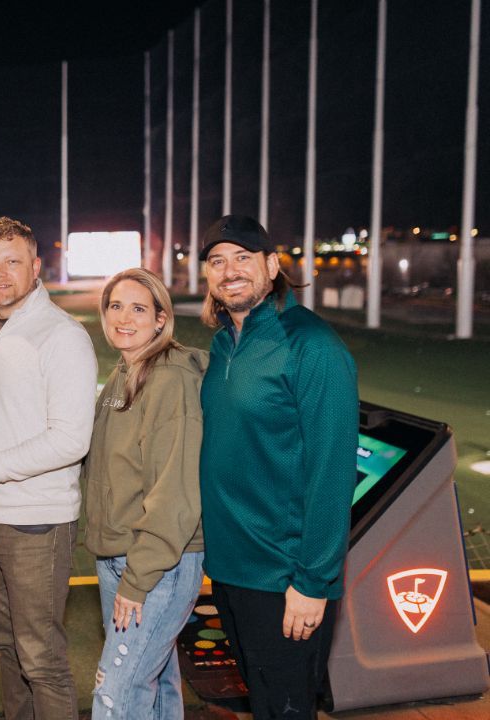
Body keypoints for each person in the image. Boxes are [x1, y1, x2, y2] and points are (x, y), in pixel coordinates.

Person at [197, 215, 358, 720]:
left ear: (271, 265)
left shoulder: (312, 345)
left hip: (284, 575)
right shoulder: (224, 341)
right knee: (264, 702)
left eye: (243, 258)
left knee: (286, 710)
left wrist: (312, 582)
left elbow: (332, 474)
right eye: (217, 261)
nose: (230, 271)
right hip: (229, 569)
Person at [0, 216, 96, 720]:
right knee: (6, 649)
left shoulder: (63, 336)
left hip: (36, 522)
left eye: (11, 262)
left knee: (41, 658)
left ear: (35, 267)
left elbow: (71, 440)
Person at [83, 268, 207, 719]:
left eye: (138, 308)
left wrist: (139, 579)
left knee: (117, 693)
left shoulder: (170, 380)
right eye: (115, 306)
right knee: (154, 687)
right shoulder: (126, 371)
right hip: (120, 555)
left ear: (161, 319)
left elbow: (174, 491)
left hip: (156, 565)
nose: (123, 318)